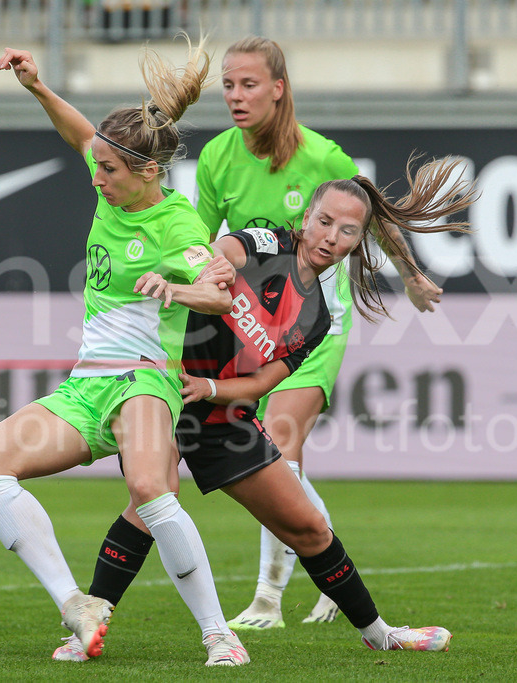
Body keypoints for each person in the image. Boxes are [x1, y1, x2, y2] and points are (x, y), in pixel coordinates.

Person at [51, 158, 479, 662]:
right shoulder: (263, 243)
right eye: (324, 222)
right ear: (306, 218)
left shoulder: (320, 311)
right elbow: (216, 256)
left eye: (347, 231)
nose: (330, 238)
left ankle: (380, 633)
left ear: (358, 241)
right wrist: (203, 272)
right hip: (159, 389)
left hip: (216, 409)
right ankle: (89, 630)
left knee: (309, 528)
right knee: (151, 503)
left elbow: (259, 384)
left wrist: (209, 387)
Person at [0, 38, 253, 667]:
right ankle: (79, 607)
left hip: (143, 383)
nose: (95, 178)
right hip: (85, 386)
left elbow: (221, 297)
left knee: (151, 485)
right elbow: (83, 136)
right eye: (94, 166)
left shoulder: (174, 224)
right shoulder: (112, 185)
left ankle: (219, 634)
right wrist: (36, 87)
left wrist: (181, 287)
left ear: (147, 171)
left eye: (107, 171)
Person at [195, 35, 448, 630]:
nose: (235, 96)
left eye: (248, 84)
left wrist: (411, 276)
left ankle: (267, 599)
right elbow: (203, 243)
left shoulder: (325, 159)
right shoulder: (216, 157)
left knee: (279, 444)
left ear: (278, 89)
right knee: (272, 457)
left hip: (313, 326)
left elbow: (375, 217)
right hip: (253, 329)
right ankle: (325, 558)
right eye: (227, 84)